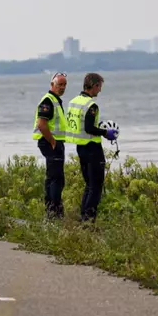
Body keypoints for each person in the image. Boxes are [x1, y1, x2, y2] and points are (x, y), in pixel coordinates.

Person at [65, 73, 118, 223]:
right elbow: (89, 127)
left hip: (80, 147)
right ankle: (88, 221)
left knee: (89, 185)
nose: (100, 91)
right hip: (92, 148)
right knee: (96, 187)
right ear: (94, 86)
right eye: (99, 87)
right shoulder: (91, 105)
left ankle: (84, 218)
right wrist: (105, 132)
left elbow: (81, 124)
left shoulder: (73, 101)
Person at [32, 72, 68, 219]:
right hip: (50, 142)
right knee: (56, 179)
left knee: (52, 177)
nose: (62, 87)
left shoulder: (55, 100)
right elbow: (41, 124)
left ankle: (50, 211)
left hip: (54, 142)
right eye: (60, 84)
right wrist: (52, 141)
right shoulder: (48, 101)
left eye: (65, 84)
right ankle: (55, 212)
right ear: (52, 84)